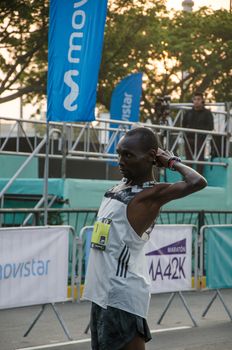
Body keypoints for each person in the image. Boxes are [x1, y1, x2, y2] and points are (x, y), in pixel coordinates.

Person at [83, 127, 207, 350]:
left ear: (151, 156)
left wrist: (171, 161)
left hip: (121, 297)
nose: (121, 160)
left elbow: (197, 182)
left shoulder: (150, 195)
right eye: (120, 153)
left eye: (128, 155)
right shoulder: (119, 187)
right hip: (101, 294)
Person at [182, 92, 214, 174]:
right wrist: (186, 134)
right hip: (189, 139)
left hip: (200, 139)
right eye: (195, 99)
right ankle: (187, 179)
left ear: (202, 100)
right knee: (188, 160)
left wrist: (200, 132)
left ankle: (199, 179)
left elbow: (210, 127)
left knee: (200, 159)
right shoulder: (188, 113)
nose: (196, 101)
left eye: (198, 99)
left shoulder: (207, 113)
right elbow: (183, 125)